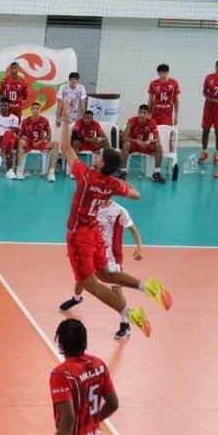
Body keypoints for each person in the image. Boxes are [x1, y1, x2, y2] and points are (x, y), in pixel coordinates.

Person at [57, 120, 170, 338]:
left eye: (99, 156)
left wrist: (65, 121)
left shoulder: (86, 177)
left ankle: (129, 313)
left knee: (89, 282)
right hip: (95, 233)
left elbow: (66, 147)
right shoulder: (112, 183)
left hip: (79, 236)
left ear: (102, 164)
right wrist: (125, 186)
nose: (96, 156)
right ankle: (146, 287)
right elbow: (136, 195)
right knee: (106, 274)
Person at [60, 198, 145, 339]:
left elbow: (134, 231)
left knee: (116, 290)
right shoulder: (93, 207)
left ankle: (125, 324)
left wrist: (139, 248)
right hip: (92, 249)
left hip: (112, 256)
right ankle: (76, 298)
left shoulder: (120, 211)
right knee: (83, 279)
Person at [119, 104, 165, 183]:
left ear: (148, 115)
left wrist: (149, 141)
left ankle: (156, 172)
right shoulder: (132, 121)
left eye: (144, 113)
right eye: (140, 112)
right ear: (138, 113)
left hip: (145, 145)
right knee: (126, 144)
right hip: (134, 144)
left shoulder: (152, 122)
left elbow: (157, 139)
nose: (142, 115)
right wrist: (136, 140)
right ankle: (123, 171)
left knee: (158, 145)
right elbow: (123, 137)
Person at [16, 104, 60, 182]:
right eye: (34, 108)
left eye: (37, 108)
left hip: (40, 142)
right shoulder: (25, 121)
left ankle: (51, 172)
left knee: (56, 144)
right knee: (20, 142)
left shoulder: (44, 120)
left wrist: (41, 141)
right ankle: (19, 170)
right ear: (31, 110)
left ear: (40, 110)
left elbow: (49, 135)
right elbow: (21, 135)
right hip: (29, 142)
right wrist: (23, 137)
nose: (36, 110)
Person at [200, 58, 218, 166]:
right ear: (215, 66)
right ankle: (204, 152)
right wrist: (208, 97)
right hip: (208, 107)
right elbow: (204, 91)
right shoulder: (209, 77)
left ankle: (217, 153)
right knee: (206, 129)